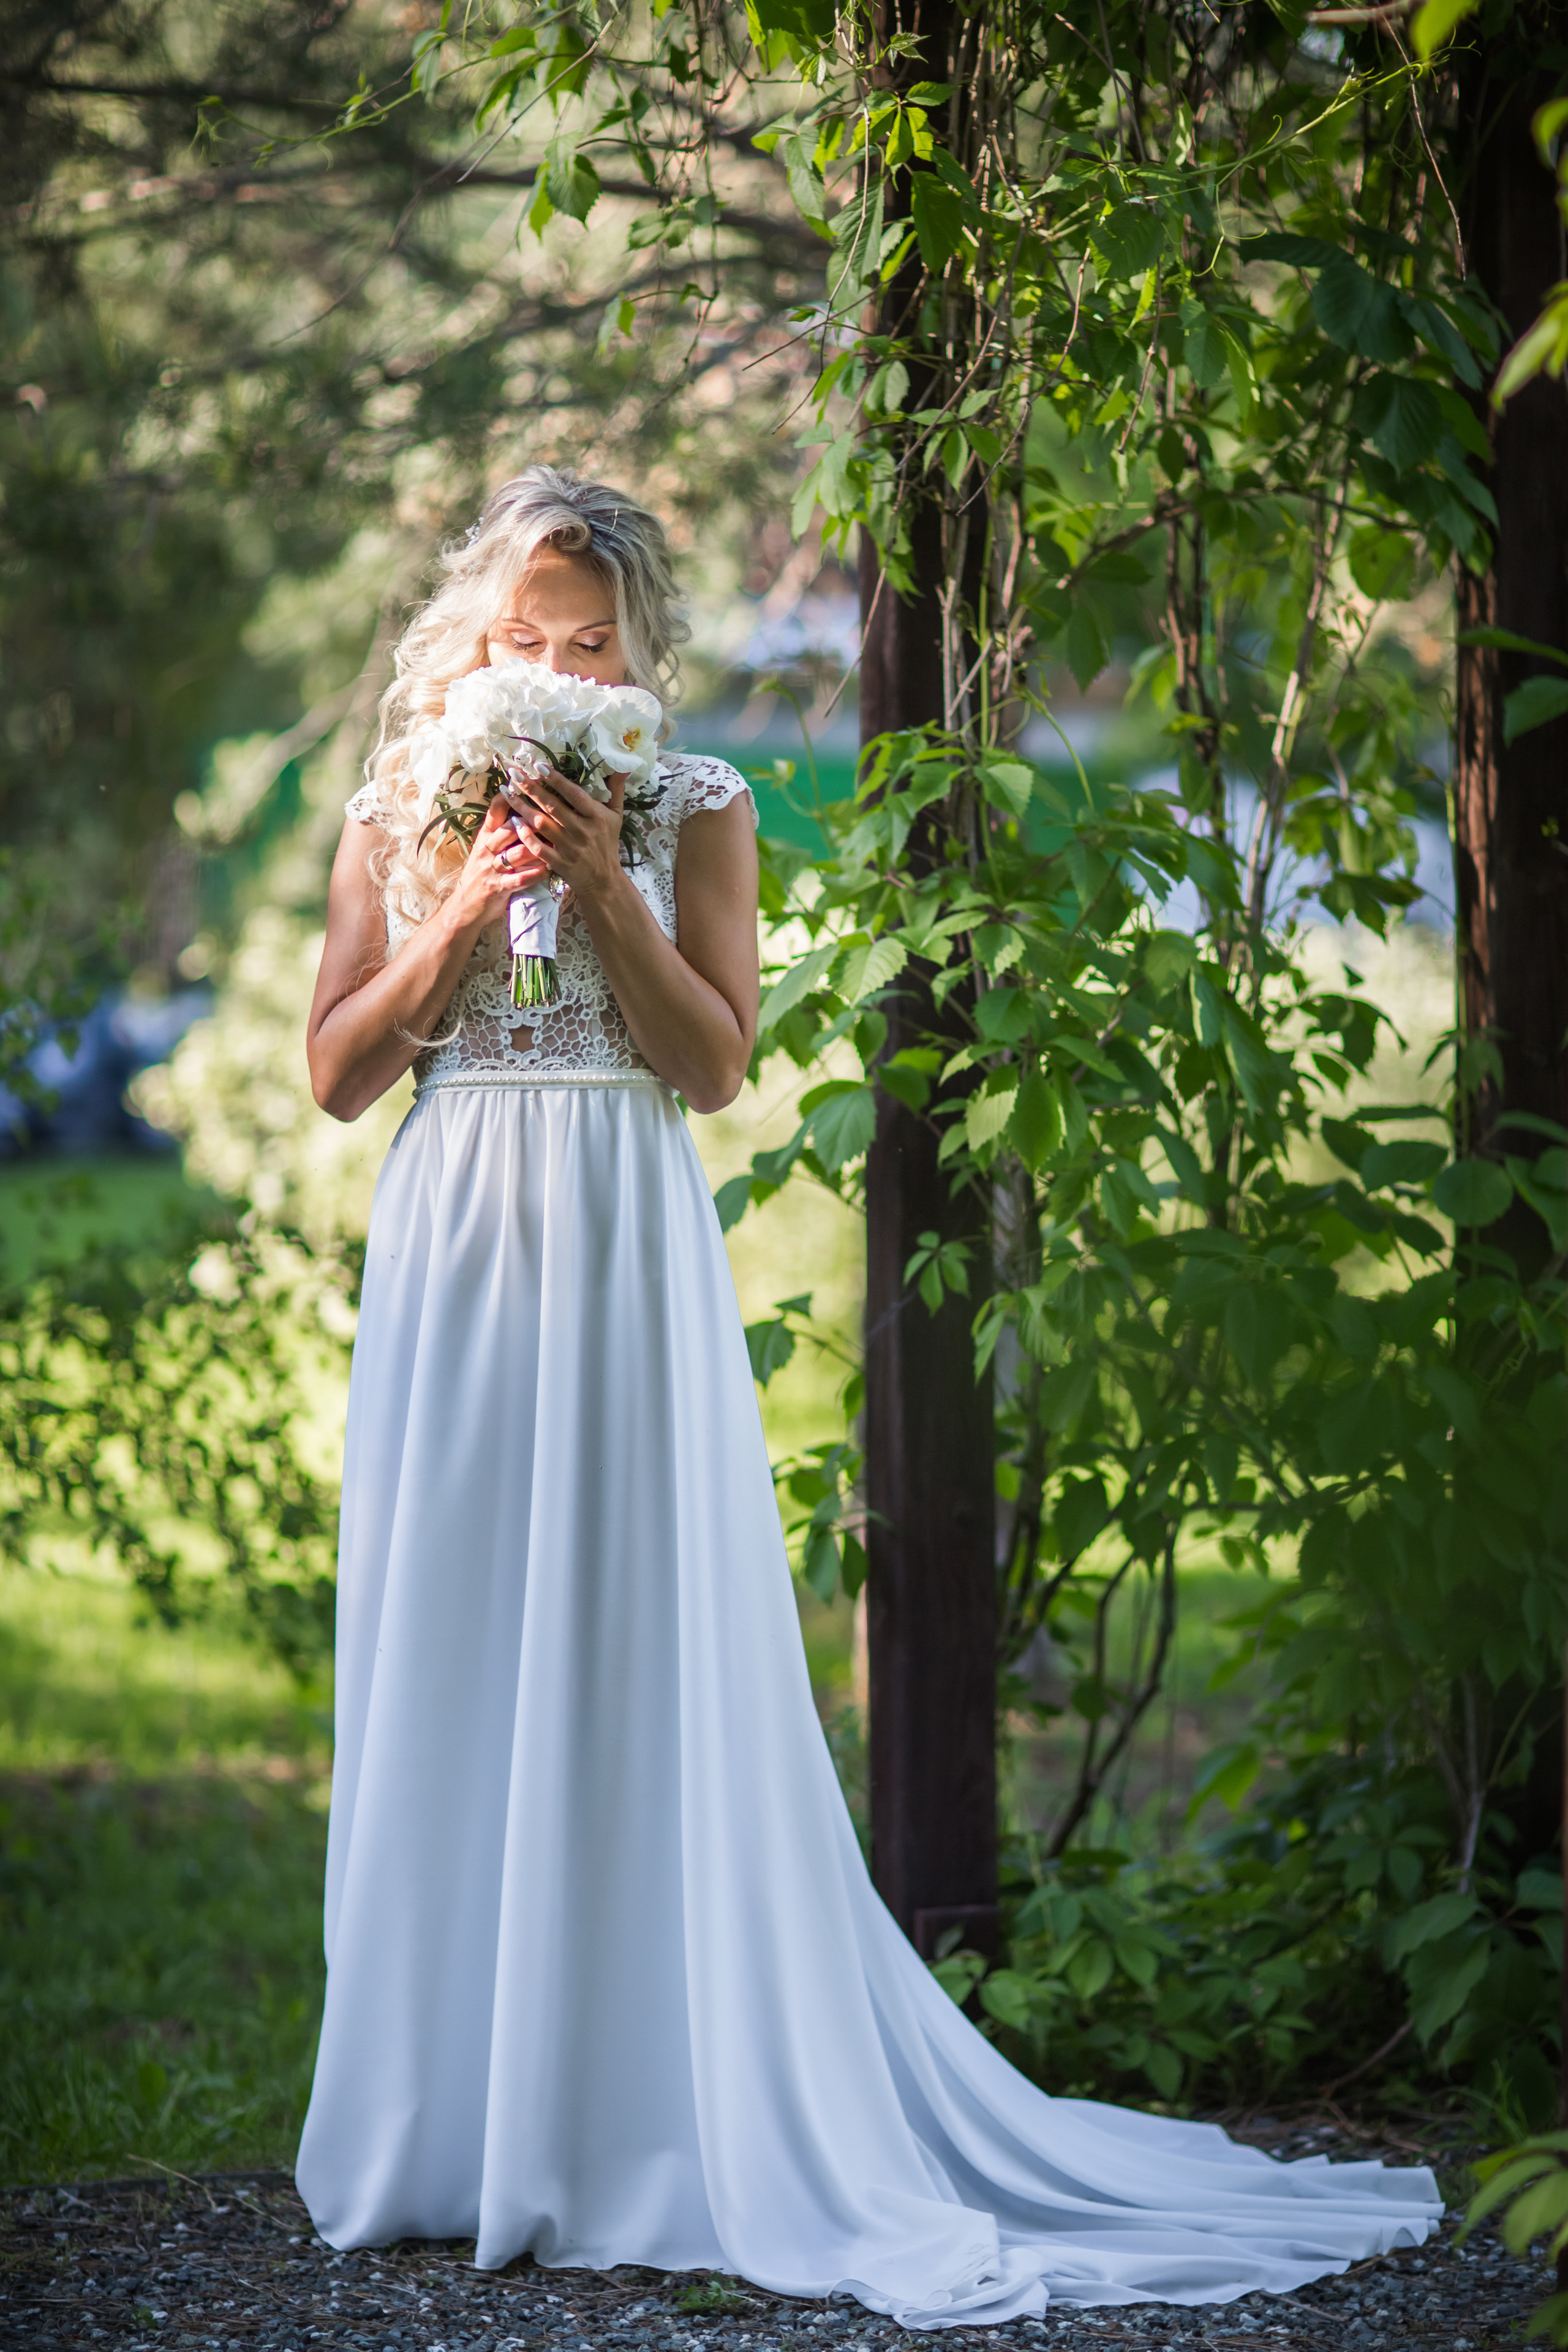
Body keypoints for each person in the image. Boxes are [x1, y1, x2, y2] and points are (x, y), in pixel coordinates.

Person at [295, 466, 1440, 2326]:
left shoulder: (701, 804)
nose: (554, 664)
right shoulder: (394, 806)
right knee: (456, 1634)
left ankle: (637, 2102)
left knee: (623, 1640)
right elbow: (345, 1074)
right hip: (455, 1247)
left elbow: (719, 1063)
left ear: (634, 651)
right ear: (474, 636)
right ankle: (449, 2115)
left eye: (587, 642)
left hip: (622, 1233)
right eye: (524, 637)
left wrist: (600, 898)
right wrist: (459, 911)